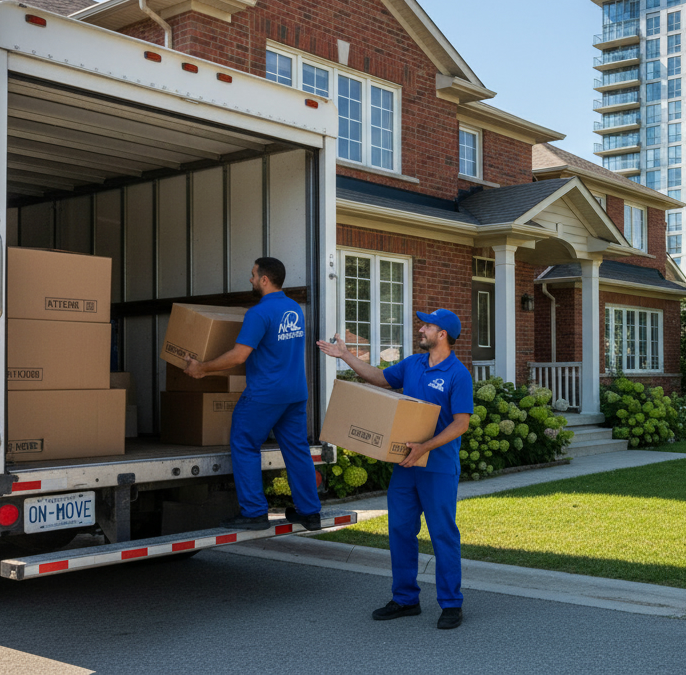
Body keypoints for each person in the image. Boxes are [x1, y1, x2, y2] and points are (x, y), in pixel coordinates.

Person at [316, 309, 472, 630]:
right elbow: (380, 379)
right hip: (405, 466)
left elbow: (461, 423)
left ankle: (451, 604)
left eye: (427, 325)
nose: (421, 328)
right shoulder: (413, 364)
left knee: (443, 534)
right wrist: (346, 356)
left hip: (437, 467)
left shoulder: (458, 374)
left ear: (442, 334)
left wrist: (425, 447)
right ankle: (405, 599)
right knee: (400, 530)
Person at [182, 257, 321, 532]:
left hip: (265, 394)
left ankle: (255, 512)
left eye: (253, 275)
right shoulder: (294, 308)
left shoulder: (258, 313)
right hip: (295, 393)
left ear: (265, 280)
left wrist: (202, 369)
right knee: (296, 450)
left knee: (245, 444)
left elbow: (239, 355)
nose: (251, 279)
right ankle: (310, 513)